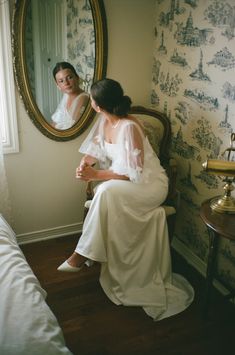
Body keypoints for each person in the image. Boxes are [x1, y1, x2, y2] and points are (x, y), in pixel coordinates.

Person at [57, 78, 194, 321]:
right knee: (104, 191)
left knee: (105, 190)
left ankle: (83, 254)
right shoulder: (104, 121)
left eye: (92, 100)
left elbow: (135, 172)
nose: (91, 103)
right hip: (127, 183)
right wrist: (84, 166)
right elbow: (94, 151)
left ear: (97, 105)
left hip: (150, 186)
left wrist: (96, 175)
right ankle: (86, 252)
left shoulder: (129, 126)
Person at [51, 62, 89, 130]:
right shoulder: (66, 96)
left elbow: (74, 128)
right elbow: (55, 122)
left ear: (77, 77)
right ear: (58, 86)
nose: (66, 83)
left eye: (69, 77)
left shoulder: (83, 98)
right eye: (61, 81)